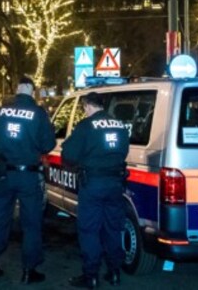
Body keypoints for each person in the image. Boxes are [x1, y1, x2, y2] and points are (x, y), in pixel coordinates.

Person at [0, 77, 55, 284]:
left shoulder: (2, 111)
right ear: (32, 91)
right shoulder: (39, 114)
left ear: (17, 90)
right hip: (28, 174)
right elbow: (48, 143)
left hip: (4, 172)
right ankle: (28, 270)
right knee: (31, 223)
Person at [61, 92, 130, 288]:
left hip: (93, 184)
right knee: (113, 228)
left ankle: (91, 275)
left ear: (87, 106)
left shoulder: (86, 126)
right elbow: (123, 151)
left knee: (90, 230)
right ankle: (114, 272)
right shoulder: (120, 125)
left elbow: (69, 154)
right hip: (116, 184)